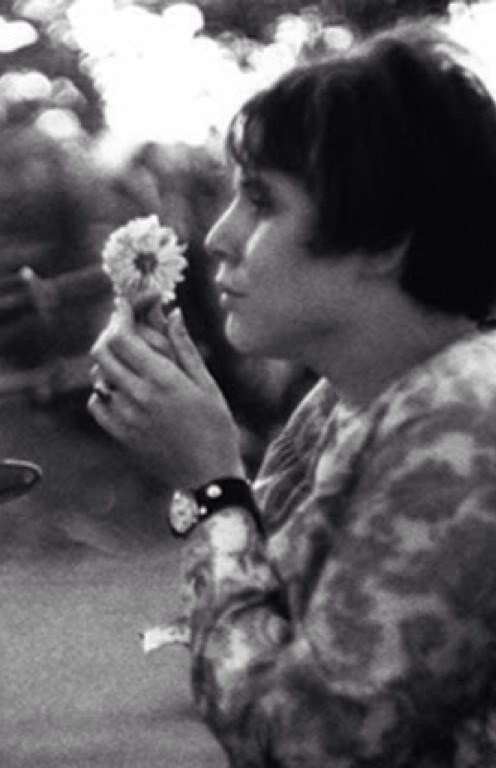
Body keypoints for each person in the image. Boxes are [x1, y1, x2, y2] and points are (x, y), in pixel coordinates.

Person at [88, 21, 496, 767]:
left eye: (262, 202)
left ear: (385, 240)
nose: (218, 236)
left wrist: (211, 487)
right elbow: (264, 601)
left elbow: (305, 741)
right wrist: (197, 450)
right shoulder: (344, 400)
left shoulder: (465, 424)